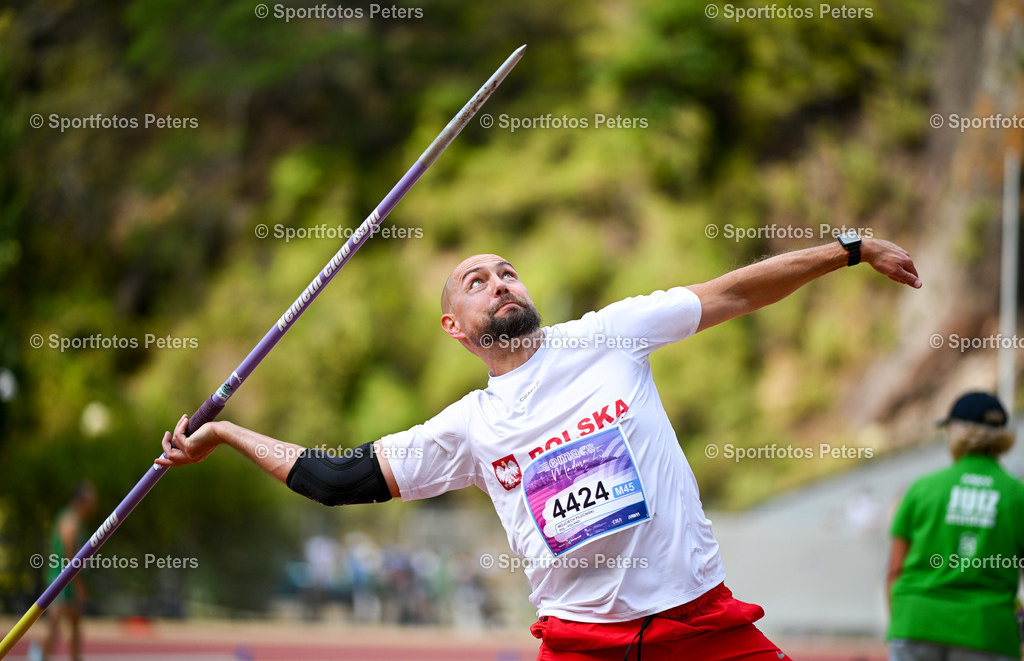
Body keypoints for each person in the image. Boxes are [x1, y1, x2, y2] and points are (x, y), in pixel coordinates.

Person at [157, 234, 921, 659]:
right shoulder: (466, 428)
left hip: (700, 628)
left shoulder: (607, 334)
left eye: (508, 271)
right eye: (476, 280)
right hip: (582, 647)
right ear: (455, 327)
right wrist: (224, 432)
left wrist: (848, 249)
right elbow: (338, 478)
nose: (499, 282)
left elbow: (737, 291)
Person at [886, 392, 1024, 661]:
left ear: (956, 432)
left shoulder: (921, 489)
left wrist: (903, 624)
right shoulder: (1017, 495)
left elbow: (895, 571)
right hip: (986, 631)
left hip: (917, 623)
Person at [42, 482, 96, 661]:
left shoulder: (75, 519)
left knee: (72, 624)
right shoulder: (70, 519)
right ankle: (41, 657)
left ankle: (73, 657)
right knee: (55, 625)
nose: (94, 502)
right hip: (62, 580)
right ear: (81, 499)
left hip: (65, 578)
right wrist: (77, 582)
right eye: (91, 498)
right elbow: (68, 552)